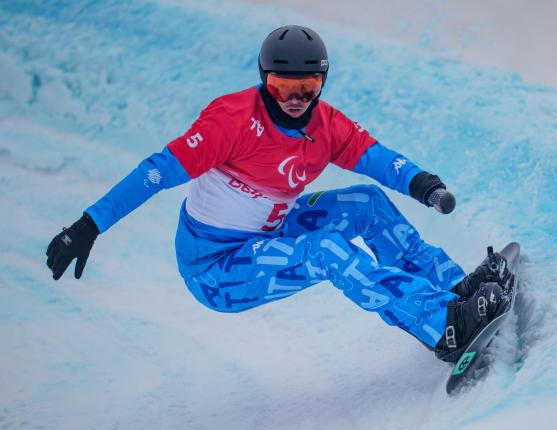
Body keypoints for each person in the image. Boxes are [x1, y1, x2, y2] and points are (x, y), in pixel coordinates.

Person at [45, 25, 509, 363]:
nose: (294, 99)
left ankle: (451, 287)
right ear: (264, 80)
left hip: (273, 229)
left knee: (366, 203)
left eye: (306, 88)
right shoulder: (230, 120)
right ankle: (444, 326)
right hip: (217, 269)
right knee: (328, 251)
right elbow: (157, 172)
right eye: (281, 86)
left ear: (321, 84)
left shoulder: (327, 125)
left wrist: (426, 185)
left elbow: (378, 158)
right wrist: (90, 224)